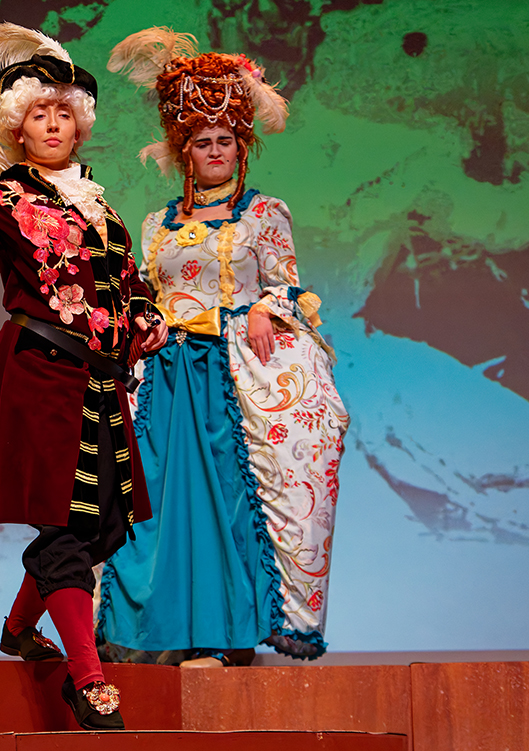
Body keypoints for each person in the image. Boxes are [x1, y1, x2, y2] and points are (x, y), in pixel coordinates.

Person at [0, 24, 167, 729]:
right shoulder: (4, 198)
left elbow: (130, 282)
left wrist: (145, 315)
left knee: (102, 527)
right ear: (19, 127)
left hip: (103, 384)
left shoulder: (101, 207)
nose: (53, 123)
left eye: (64, 112)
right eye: (39, 113)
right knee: (65, 529)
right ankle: (88, 679)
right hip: (41, 375)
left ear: (80, 125)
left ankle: (20, 629)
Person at [95, 29, 350, 667]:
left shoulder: (265, 213)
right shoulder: (156, 224)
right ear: (184, 149)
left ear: (242, 146)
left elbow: (288, 286)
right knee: (153, 502)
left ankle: (224, 634)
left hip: (228, 377)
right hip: (164, 377)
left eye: (226, 142)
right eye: (203, 142)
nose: (215, 152)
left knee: (228, 504)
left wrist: (265, 307)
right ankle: (153, 633)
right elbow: (147, 293)